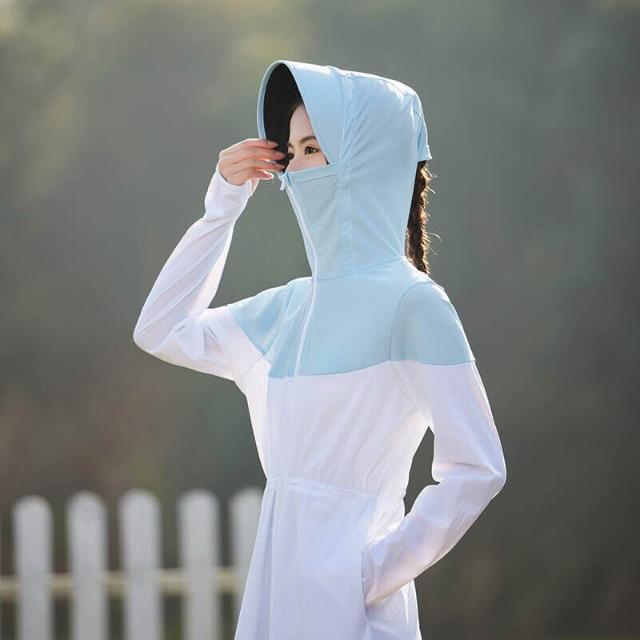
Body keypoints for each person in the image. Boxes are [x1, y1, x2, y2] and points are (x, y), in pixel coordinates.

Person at [133, 59, 507, 640]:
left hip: (358, 611)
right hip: (276, 594)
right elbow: (160, 328)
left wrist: (369, 572)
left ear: (368, 157)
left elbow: (477, 467)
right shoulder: (288, 309)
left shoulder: (414, 304)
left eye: (312, 148)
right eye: (290, 151)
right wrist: (222, 204)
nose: (293, 168)